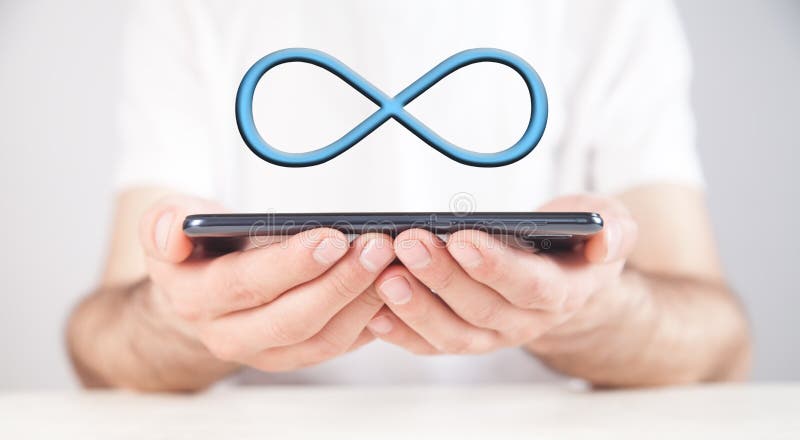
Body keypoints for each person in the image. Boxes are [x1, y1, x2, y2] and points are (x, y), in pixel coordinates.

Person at [66, 0, 750, 391]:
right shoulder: (188, 11)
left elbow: (721, 350)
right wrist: (182, 316)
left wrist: (588, 311)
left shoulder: (610, 12)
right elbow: (102, 353)